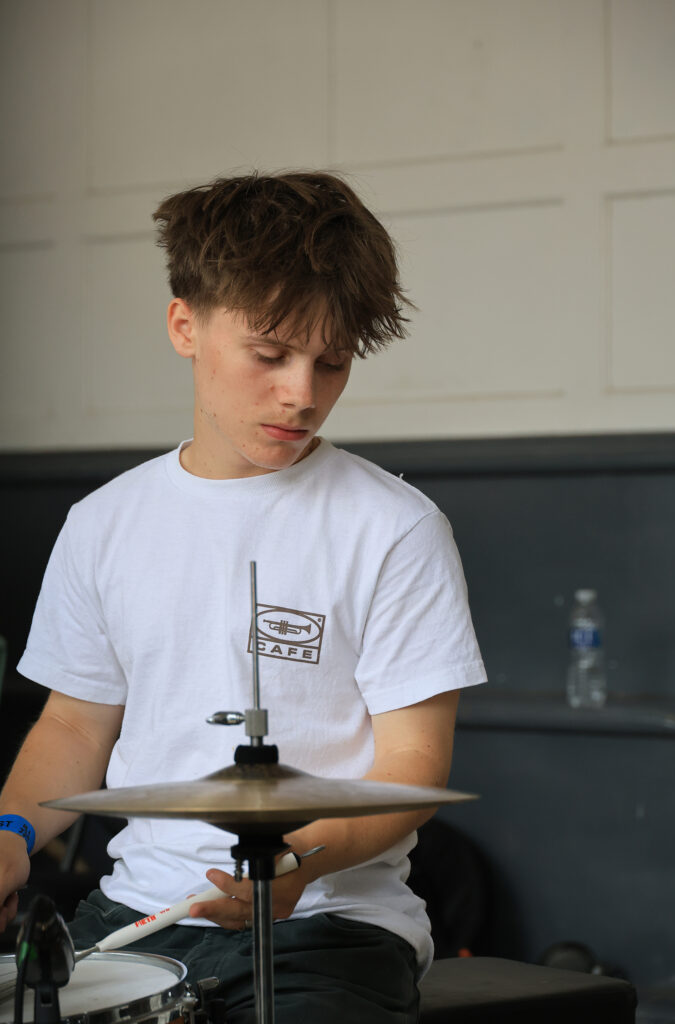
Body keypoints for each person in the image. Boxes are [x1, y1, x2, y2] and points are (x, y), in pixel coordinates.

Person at [0, 172, 486, 1022]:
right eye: (270, 354)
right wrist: (8, 836)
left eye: (332, 361)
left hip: (330, 926)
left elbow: (412, 765)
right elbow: (74, 727)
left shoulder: (395, 527)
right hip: (136, 914)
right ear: (184, 326)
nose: (303, 393)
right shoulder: (103, 523)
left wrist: (296, 862)